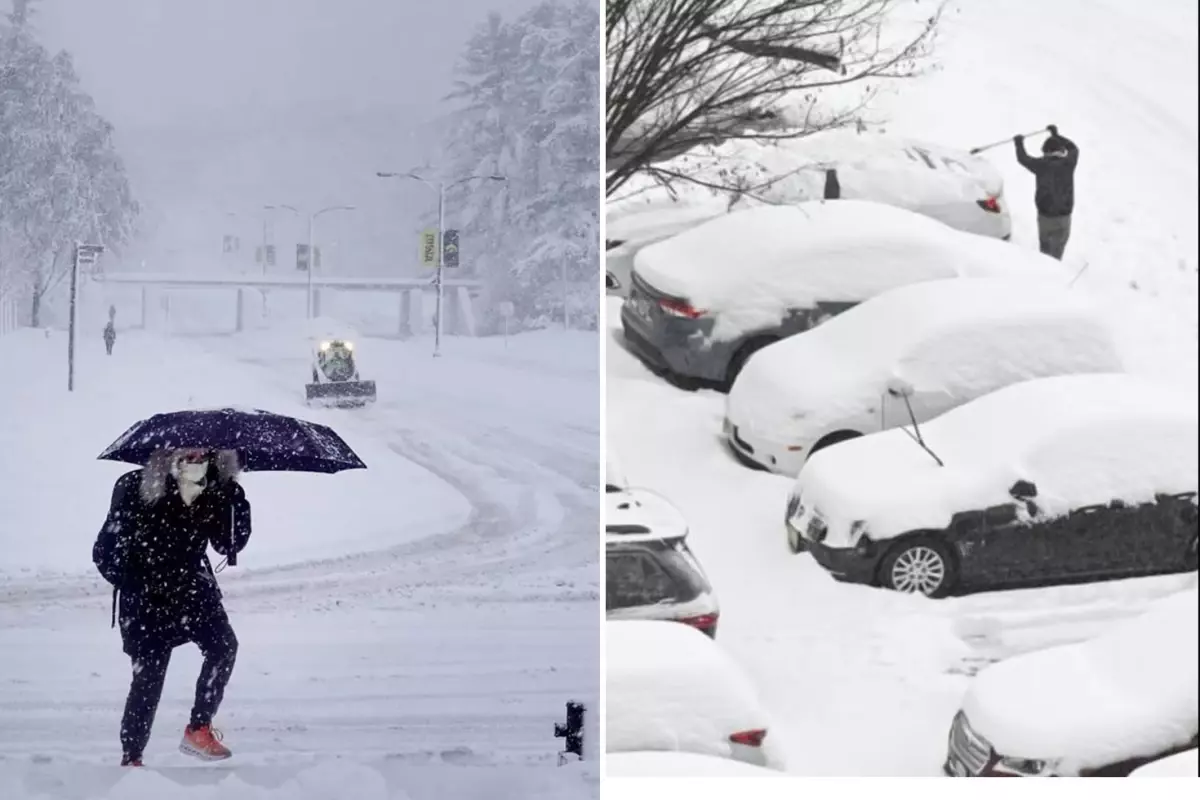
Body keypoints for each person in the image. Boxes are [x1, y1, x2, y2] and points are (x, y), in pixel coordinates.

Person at [92, 447, 251, 766]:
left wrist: (235, 501)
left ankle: (198, 728)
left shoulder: (218, 489)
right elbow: (104, 551)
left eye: (202, 450)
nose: (195, 456)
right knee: (148, 676)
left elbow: (227, 544)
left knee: (224, 647)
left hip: (193, 589)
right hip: (146, 597)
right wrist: (137, 579)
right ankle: (132, 756)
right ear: (169, 451)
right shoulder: (139, 486)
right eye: (186, 449)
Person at [1014, 124, 1079, 260]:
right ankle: (1057, 269)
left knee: (1045, 250)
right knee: (1058, 250)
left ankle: (1045, 269)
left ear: (1046, 151)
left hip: (1045, 217)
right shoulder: (1069, 163)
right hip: (1064, 216)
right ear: (1061, 151)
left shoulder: (1041, 165)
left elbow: (1023, 158)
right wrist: (1056, 135)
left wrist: (1019, 143)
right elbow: (1073, 148)